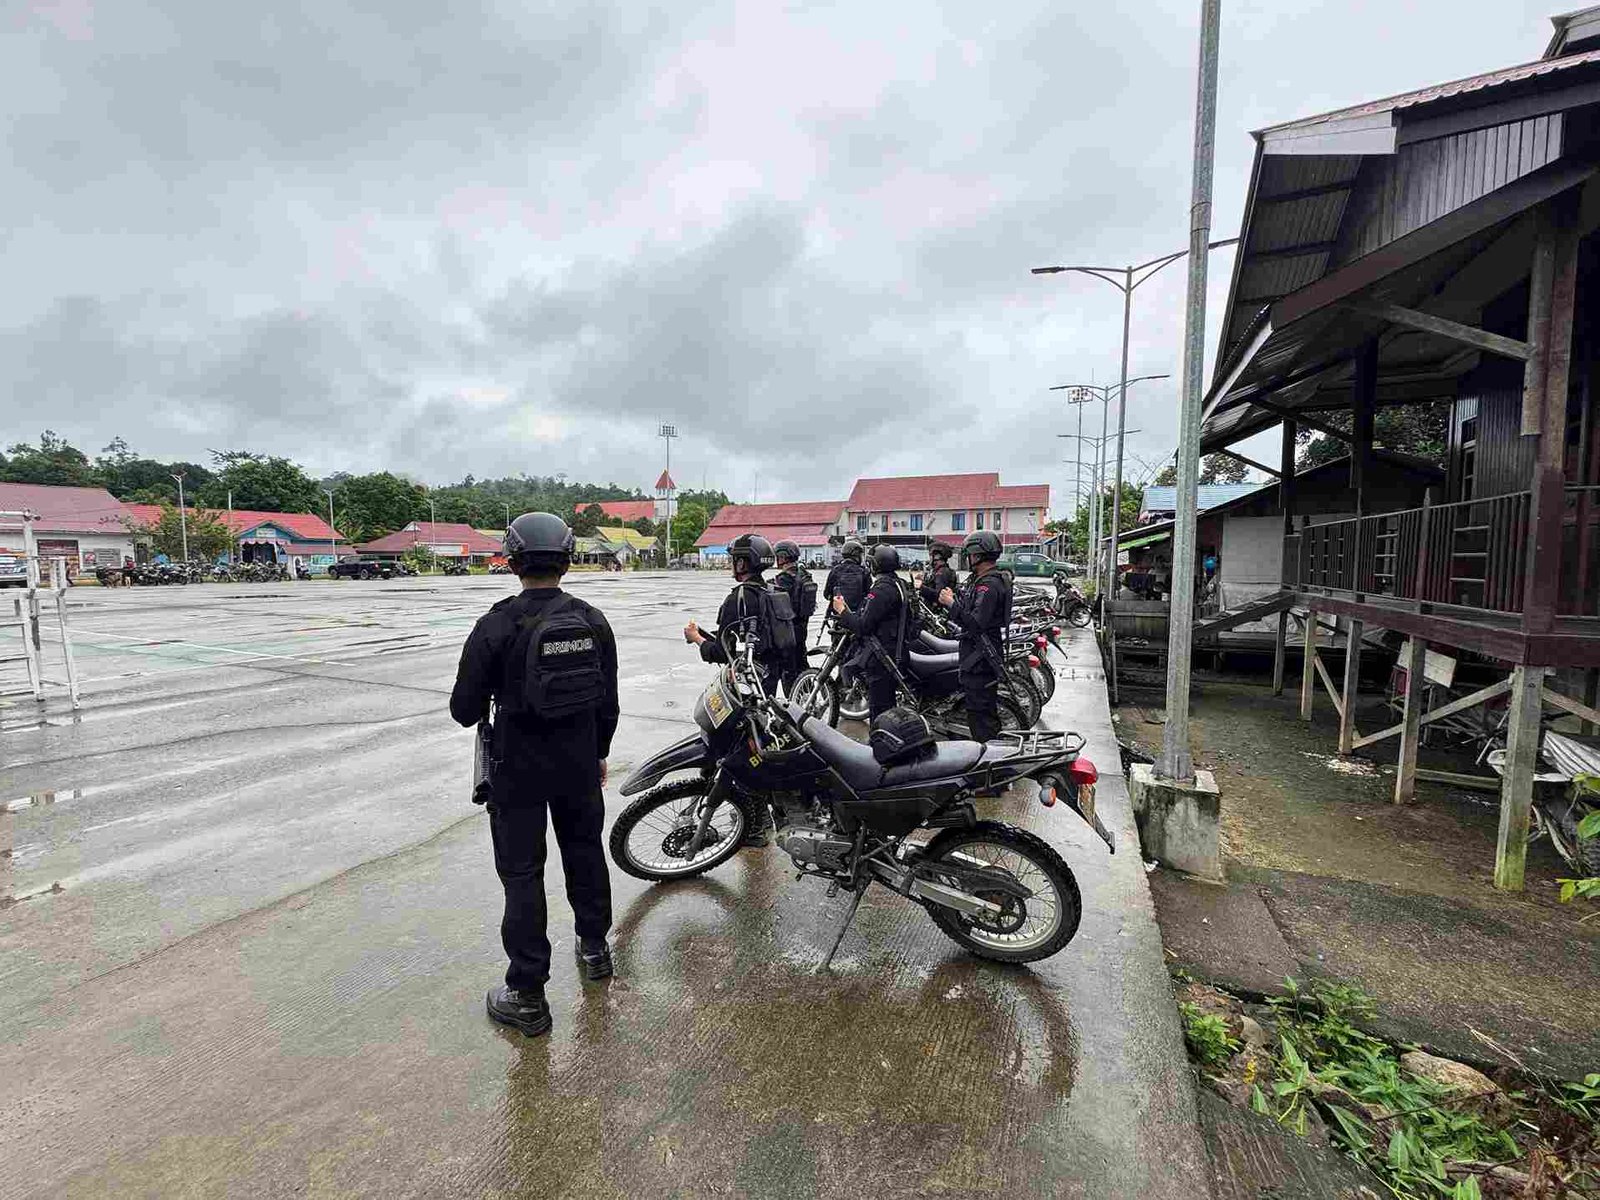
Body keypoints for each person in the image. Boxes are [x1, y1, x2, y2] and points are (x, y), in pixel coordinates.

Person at [449, 512, 620, 1039]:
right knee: (585, 854)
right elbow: (608, 703)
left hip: (516, 769)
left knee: (523, 875)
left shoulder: (495, 624)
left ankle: (527, 995)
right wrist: (597, 754)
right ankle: (594, 950)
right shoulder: (592, 620)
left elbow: (463, 708)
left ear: (512, 559)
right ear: (568, 558)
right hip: (577, 765)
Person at [939, 530, 1012, 742]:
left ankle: (989, 767)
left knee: (981, 718)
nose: (968, 558)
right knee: (980, 713)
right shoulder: (984, 580)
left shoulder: (988, 585)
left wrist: (951, 605)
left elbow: (975, 624)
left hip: (981, 658)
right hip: (979, 655)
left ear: (978, 555)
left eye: (970, 554)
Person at [831, 543, 909, 721]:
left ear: (874, 565)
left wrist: (843, 611)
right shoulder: (900, 584)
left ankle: (880, 742)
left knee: (880, 712)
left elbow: (862, 626)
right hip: (897, 651)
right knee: (888, 705)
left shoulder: (881, 589)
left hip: (883, 658)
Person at [771, 539, 815, 695]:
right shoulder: (804, 575)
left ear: (783, 557)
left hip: (787, 632)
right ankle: (809, 699)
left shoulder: (783, 579)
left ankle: (793, 707)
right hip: (802, 629)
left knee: (788, 672)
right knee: (802, 666)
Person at [823, 540, 870, 611]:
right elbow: (870, 594)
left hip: (838, 613)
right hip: (858, 613)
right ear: (856, 555)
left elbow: (826, 594)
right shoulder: (864, 572)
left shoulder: (835, 570)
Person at [917, 542, 959, 610]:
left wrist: (921, 587)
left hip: (937, 611)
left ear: (936, 556)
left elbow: (939, 594)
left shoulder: (942, 572)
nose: (930, 558)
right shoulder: (938, 570)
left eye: (931, 555)